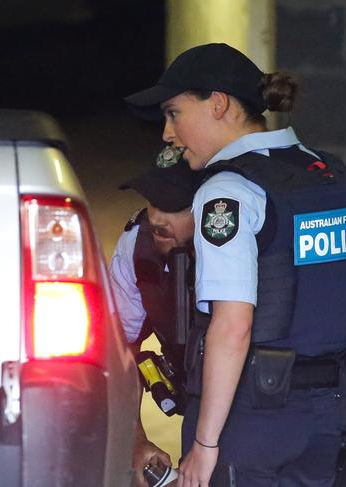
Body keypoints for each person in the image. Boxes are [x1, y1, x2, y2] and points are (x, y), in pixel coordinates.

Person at [125, 43, 346, 487]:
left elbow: (233, 324)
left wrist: (206, 445)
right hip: (328, 414)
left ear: (218, 104)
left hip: (251, 419)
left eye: (174, 113)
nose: (168, 133)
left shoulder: (228, 189)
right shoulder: (334, 175)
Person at [110, 160, 205, 487]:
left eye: (175, 207)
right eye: (153, 202)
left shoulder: (239, 244)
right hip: (192, 399)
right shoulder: (137, 245)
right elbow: (120, 349)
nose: (157, 218)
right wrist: (136, 440)